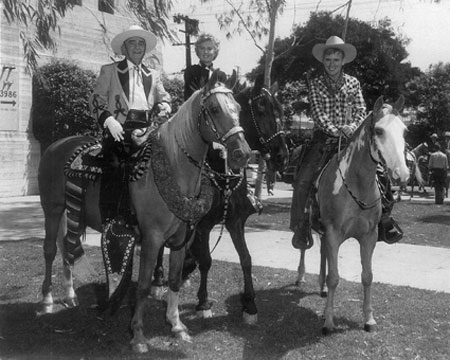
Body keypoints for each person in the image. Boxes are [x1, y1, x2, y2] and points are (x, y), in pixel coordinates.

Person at [289, 35, 403, 249]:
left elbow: (361, 110)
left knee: (378, 172)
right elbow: (318, 113)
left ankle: (385, 219)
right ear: (323, 61)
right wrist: (336, 130)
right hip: (324, 138)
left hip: (352, 137)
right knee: (304, 178)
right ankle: (301, 224)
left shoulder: (353, 83)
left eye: (336, 59)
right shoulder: (315, 84)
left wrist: (352, 127)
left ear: (343, 61)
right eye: (328, 60)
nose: (332, 64)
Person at [90, 25, 172, 225]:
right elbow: (96, 99)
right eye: (132, 43)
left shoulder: (153, 74)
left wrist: (164, 105)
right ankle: (113, 219)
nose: (137, 47)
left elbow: (164, 97)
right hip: (118, 132)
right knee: (116, 168)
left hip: (146, 131)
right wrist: (108, 121)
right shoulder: (109, 70)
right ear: (124, 48)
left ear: (145, 49)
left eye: (141, 43)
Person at [184, 33, 226, 101]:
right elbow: (191, 96)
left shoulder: (221, 75)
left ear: (215, 52)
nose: (205, 52)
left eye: (209, 49)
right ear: (197, 51)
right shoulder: (191, 71)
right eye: (202, 48)